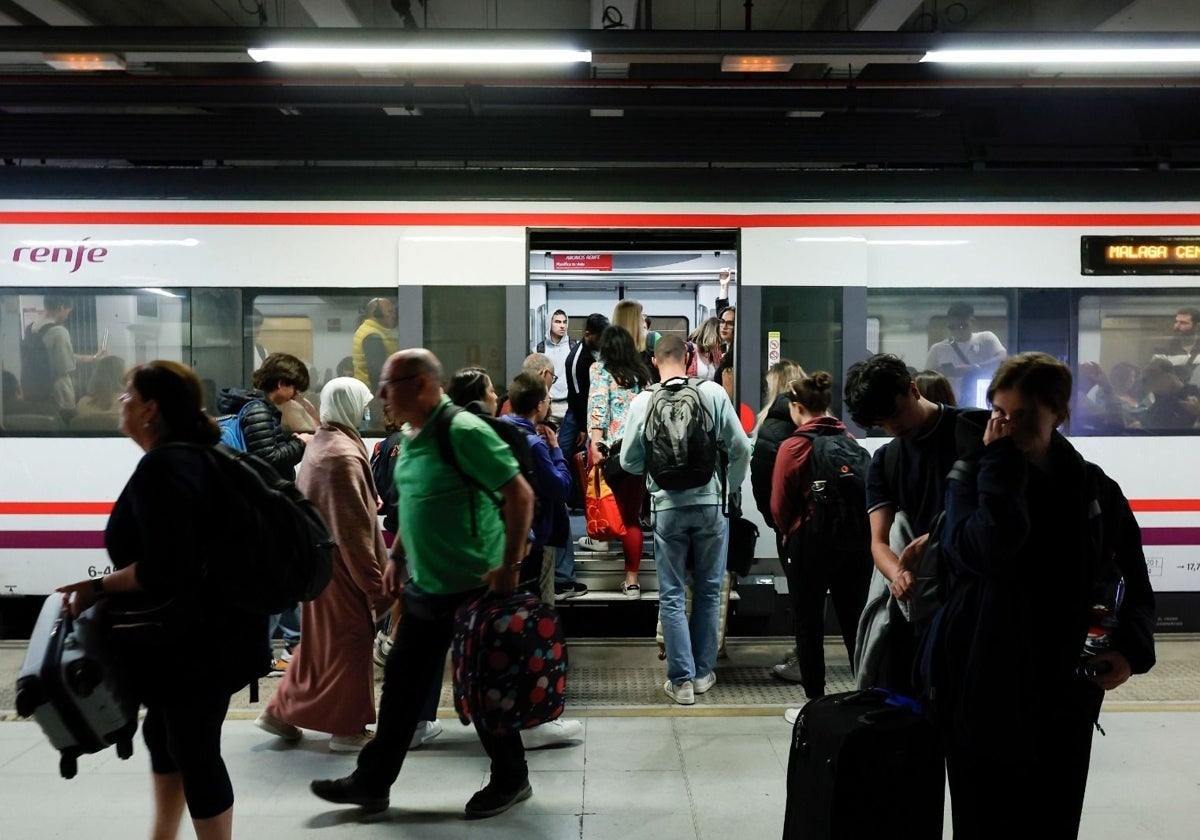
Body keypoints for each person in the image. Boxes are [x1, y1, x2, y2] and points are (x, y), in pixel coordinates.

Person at [929, 352, 1156, 839]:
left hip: (1064, 684)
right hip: (980, 681)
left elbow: (1132, 575)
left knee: (1054, 816)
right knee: (984, 818)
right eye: (999, 415)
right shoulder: (970, 478)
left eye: (1023, 415)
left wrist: (1132, 650)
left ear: (1059, 414)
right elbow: (989, 548)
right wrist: (1000, 469)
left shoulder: (1093, 488)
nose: (1008, 427)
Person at [310, 349, 535, 819]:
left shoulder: (464, 432)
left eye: (390, 385)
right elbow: (415, 503)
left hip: (478, 585)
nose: (382, 395)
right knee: (402, 686)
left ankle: (511, 778)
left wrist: (510, 565)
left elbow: (519, 493)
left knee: (483, 690)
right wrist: (397, 555)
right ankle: (373, 783)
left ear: (422, 386)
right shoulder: (411, 438)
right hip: (428, 586)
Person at [56, 360, 268, 840]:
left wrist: (97, 587)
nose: (120, 401)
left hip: (195, 639)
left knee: (192, 746)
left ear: (150, 408)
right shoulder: (200, 454)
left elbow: (165, 567)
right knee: (167, 736)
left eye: (128, 394)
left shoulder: (165, 465)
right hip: (216, 630)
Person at [255, 377, 391, 753]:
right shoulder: (342, 456)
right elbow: (353, 531)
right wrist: (374, 583)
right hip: (341, 569)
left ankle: (280, 712)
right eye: (363, 405)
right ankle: (347, 730)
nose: (367, 413)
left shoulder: (322, 443)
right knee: (351, 643)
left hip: (318, 565)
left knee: (319, 647)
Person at [619, 334, 752, 705]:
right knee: (709, 591)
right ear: (689, 356)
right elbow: (741, 447)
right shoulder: (711, 393)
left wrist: (654, 468)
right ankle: (704, 672)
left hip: (667, 507)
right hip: (711, 504)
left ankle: (681, 682)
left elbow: (628, 461)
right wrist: (730, 488)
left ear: (655, 361)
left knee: (672, 594)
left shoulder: (643, 401)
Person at [843, 353, 977, 697]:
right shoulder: (886, 459)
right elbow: (879, 542)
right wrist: (896, 574)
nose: (893, 428)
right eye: (882, 423)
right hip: (921, 601)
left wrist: (937, 538)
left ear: (914, 389)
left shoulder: (975, 431)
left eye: (896, 414)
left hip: (976, 597)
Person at [771, 372, 872, 705]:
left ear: (797, 407)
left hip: (810, 543)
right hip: (855, 545)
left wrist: (787, 532)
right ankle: (864, 693)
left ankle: (815, 701)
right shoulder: (852, 441)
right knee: (855, 621)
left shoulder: (794, 446)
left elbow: (780, 504)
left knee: (809, 624)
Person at [217, 352, 314, 672]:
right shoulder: (258, 410)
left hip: (261, 509)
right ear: (282, 383)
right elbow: (268, 460)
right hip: (261, 511)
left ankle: (294, 644)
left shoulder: (257, 409)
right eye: (295, 389)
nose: (296, 396)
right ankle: (260, 653)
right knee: (275, 583)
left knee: (284, 582)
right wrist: (302, 443)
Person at [749, 359, 807, 682]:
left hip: (791, 527)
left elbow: (761, 481)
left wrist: (775, 522)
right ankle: (806, 654)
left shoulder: (773, 425)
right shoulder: (816, 419)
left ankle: (804, 662)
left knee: (801, 594)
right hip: (820, 522)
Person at [586, 323, 652, 596]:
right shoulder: (642, 374)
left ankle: (601, 541)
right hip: (636, 451)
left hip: (610, 450)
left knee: (606, 505)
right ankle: (632, 579)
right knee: (632, 516)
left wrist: (595, 442)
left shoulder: (600, 371)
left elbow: (598, 408)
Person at [23, 295, 106, 415]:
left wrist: (92, 358)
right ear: (61, 307)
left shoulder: (30, 328)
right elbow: (65, 366)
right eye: (68, 311)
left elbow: (56, 355)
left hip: (33, 390)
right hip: (58, 395)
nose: (67, 316)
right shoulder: (59, 332)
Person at [924, 302, 1007, 406]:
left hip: (981, 402)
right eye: (952, 327)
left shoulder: (986, 338)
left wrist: (973, 368)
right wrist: (944, 373)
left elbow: (1002, 358)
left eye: (962, 326)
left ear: (972, 322)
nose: (958, 331)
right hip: (950, 405)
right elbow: (926, 378)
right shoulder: (938, 349)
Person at [534, 309, 576, 423]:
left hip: (570, 405)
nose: (562, 326)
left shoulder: (574, 348)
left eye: (564, 322)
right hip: (548, 405)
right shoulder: (538, 350)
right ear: (549, 324)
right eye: (557, 322)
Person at [351, 297, 399, 389]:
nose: (394, 315)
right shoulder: (372, 336)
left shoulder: (373, 331)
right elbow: (377, 375)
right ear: (376, 314)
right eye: (390, 312)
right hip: (373, 395)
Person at [1140, 356, 1200, 430]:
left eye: (1153, 379)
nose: (1150, 386)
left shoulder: (1195, 395)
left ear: (1168, 377)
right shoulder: (1155, 409)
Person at [1152, 306, 1200, 382]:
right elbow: (1157, 378)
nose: (1177, 326)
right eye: (1176, 322)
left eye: (1183, 323)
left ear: (1197, 326)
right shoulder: (1162, 350)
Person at [686, 317, 724, 381]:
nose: (721, 341)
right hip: (692, 390)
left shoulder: (715, 353)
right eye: (719, 337)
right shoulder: (689, 350)